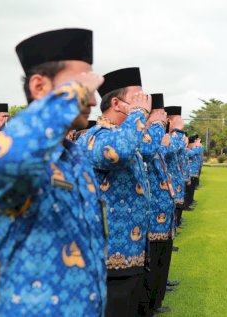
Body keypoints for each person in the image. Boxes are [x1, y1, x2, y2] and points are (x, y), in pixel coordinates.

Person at [0, 28, 107, 316]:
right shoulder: (3, 150)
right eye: (81, 85)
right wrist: (72, 96)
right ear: (39, 87)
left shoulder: (75, 155)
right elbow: (11, 158)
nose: (93, 100)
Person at [77, 67, 154, 317]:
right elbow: (117, 153)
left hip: (131, 251)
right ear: (116, 103)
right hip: (108, 256)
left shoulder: (126, 134)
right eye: (138, 97)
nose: (145, 102)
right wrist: (140, 114)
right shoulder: (95, 137)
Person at [136, 93, 175, 316]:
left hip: (163, 204)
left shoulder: (154, 137)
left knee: (160, 260)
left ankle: (155, 301)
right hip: (151, 211)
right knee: (149, 267)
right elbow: (150, 153)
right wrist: (159, 127)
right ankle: (150, 304)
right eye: (160, 115)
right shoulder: (142, 136)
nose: (164, 120)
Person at [164, 106, 186, 228]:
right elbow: (170, 150)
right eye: (178, 120)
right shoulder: (165, 135)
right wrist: (177, 131)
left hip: (176, 176)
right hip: (168, 180)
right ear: (169, 120)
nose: (181, 124)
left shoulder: (174, 136)